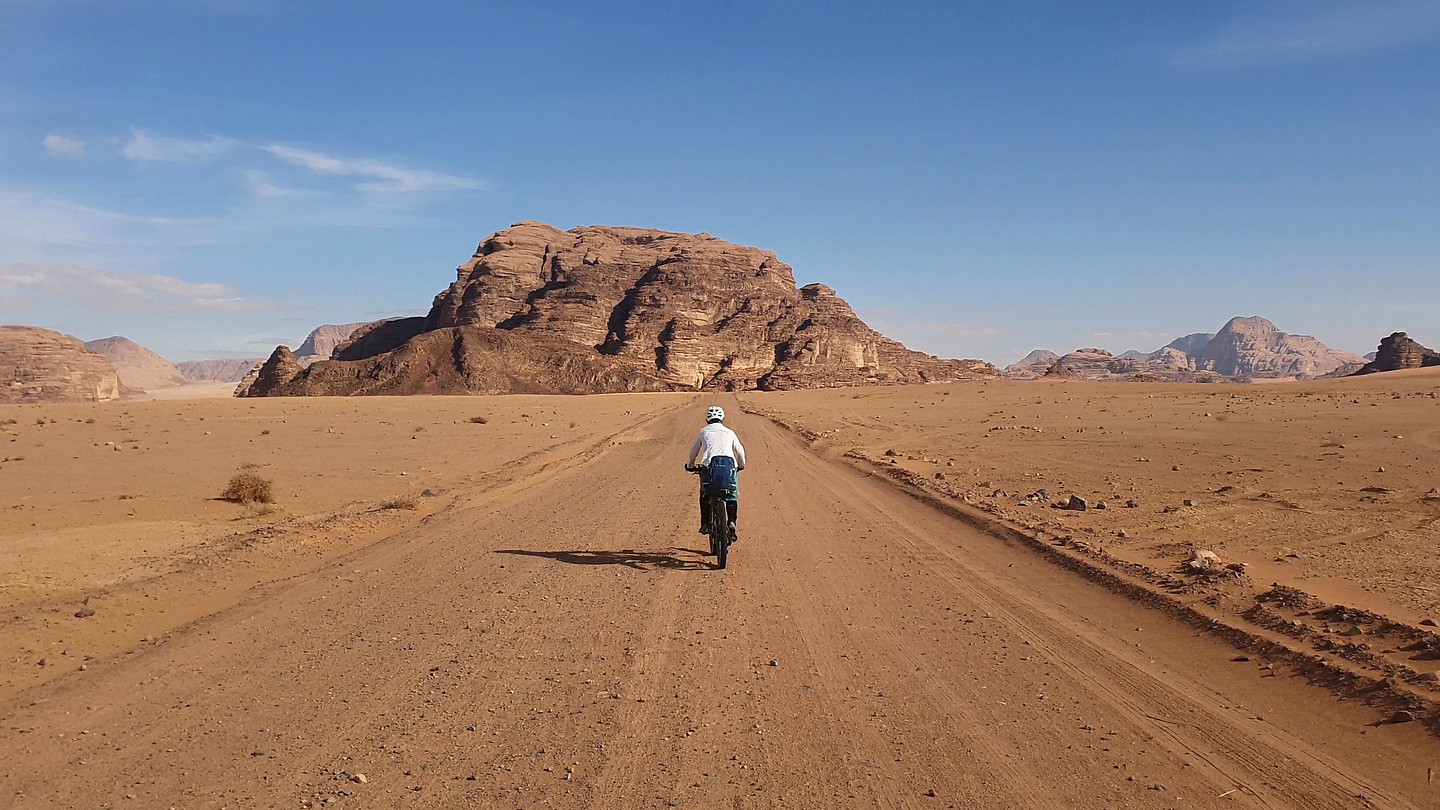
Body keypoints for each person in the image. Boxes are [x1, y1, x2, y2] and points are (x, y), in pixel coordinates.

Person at [686, 405, 746, 535]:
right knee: (731, 495)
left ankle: (706, 524)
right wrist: (741, 465)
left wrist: (690, 465)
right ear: (722, 418)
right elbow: (740, 450)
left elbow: (693, 452)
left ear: (707, 419)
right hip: (729, 467)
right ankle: (731, 521)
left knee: (704, 494)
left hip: (709, 468)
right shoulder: (729, 432)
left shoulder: (703, 432)